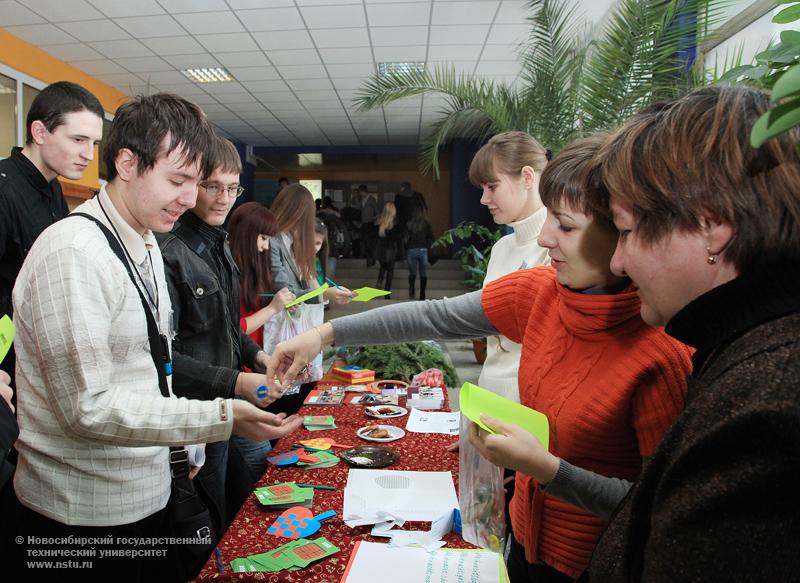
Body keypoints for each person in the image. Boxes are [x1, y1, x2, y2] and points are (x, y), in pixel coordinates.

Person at [265, 136, 693, 583]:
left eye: (565, 227)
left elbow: (658, 504)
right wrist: (323, 334)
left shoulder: (661, 354)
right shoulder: (539, 292)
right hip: (524, 543)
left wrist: (546, 469)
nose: (545, 238)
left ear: (622, 235)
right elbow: (436, 316)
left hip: (594, 564)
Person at [10, 93, 301, 581]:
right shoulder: (74, 254)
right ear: (127, 163)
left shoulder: (143, 240)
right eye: (178, 180)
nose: (190, 199)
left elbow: (152, 362)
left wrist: (182, 446)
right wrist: (220, 418)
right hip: (84, 514)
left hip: (147, 488)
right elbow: (89, 408)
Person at [571, 85, 800, 582]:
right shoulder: (740, 351)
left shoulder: (768, 412)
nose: (617, 260)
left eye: (626, 230)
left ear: (712, 224)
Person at [157, 137, 293, 540]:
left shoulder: (222, 245)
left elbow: (226, 327)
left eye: (233, 188)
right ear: (191, 183)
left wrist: (259, 357)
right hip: (197, 413)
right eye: (213, 186)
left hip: (230, 399)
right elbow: (166, 357)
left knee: (245, 497)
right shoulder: (169, 251)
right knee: (209, 513)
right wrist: (236, 381)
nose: (223, 198)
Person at [0, 81, 104, 380]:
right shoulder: (4, 189)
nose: (88, 154)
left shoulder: (53, 189)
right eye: (78, 140)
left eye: (93, 144)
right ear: (40, 132)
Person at [468, 130, 552, 402]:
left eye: (492, 187)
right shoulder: (502, 247)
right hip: (489, 401)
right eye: (482, 189)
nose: (483, 199)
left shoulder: (558, 250)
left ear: (527, 177)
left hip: (528, 411)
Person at [268, 184, 354, 414]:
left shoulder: (291, 241)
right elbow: (283, 289)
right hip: (281, 323)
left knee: (296, 385)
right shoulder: (274, 241)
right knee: (283, 387)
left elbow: (309, 281)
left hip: (296, 322)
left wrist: (327, 292)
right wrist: (326, 293)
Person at [227, 202, 294, 349]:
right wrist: (272, 308)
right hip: (238, 363)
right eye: (264, 238)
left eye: (269, 240)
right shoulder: (225, 273)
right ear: (246, 233)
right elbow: (231, 331)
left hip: (256, 355)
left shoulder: (254, 268)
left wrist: (280, 305)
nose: (266, 246)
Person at [404, 205, 434, 299]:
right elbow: (431, 237)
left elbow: (405, 239)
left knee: (412, 272)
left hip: (411, 250)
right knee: (423, 273)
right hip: (423, 250)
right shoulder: (426, 224)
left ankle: (412, 289)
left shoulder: (409, 224)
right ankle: (422, 293)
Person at [375, 201, 401, 296]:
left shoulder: (379, 221)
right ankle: (386, 292)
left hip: (380, 250)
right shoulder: (395, 223)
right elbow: (396, 237)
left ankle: (379, 280)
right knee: (390, 270)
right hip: (391, 250)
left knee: (383, 267)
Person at [394, 180, 428, 247]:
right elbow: (425, 208)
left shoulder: (398, 197)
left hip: (402, 225)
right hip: (417, 224)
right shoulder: (418, 195)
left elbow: (396, 212)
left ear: (403, 187)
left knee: (404, 245)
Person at [359, 184, 378, 266]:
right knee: (364, 241)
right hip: (363, 223)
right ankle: (367, 257)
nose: (360, 193)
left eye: (360, 192)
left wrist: (374, 220)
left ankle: (371, 259)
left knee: (369, 241)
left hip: (370, 223)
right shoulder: (361, 199)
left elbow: (377, 211)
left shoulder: (371, 199)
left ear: (363, 191)